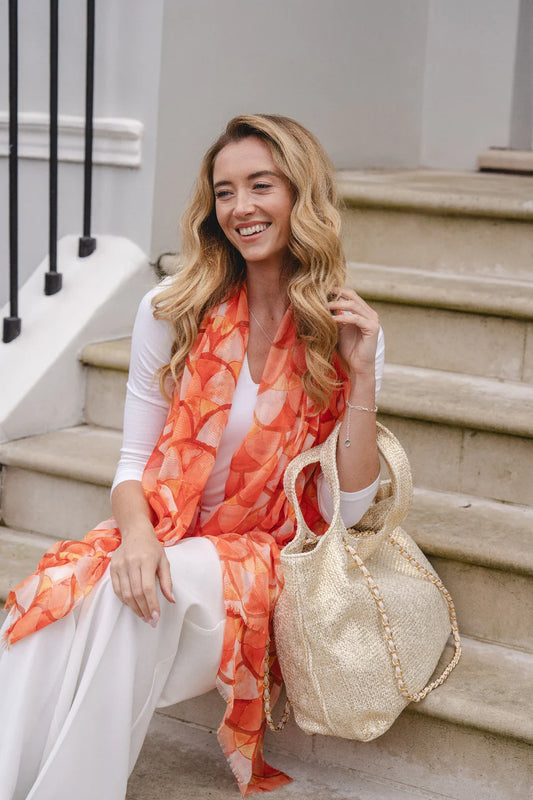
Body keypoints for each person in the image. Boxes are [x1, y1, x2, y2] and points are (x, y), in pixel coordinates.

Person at [0, 114, 384, 799]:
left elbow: (347, 510)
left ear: (301, 194)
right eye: (225, 191)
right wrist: (138, 536)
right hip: (171, 534)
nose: (241, 208)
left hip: (267, 558)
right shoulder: (172, 309)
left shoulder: (343, 329)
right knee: (55, 602)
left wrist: (362, 378)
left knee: (132, 600)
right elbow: (132, 463)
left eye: (260, 185)